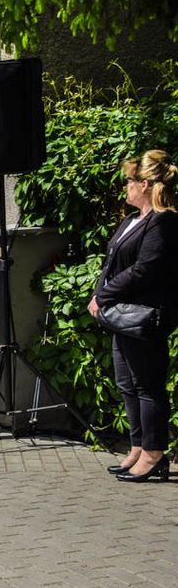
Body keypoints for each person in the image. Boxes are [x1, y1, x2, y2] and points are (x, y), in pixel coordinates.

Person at [88, 151, 178, 482]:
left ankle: (155, 453)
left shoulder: (164, 221)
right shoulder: (132, 220)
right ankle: (138, 446)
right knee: (126, 382)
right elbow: (111, 262)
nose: (124, 186)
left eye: (128, 181)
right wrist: (99, 293)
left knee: (147, 384)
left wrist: (105, 295)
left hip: (144, 316)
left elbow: (146, 269)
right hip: (122, 315)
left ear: (145, 184)